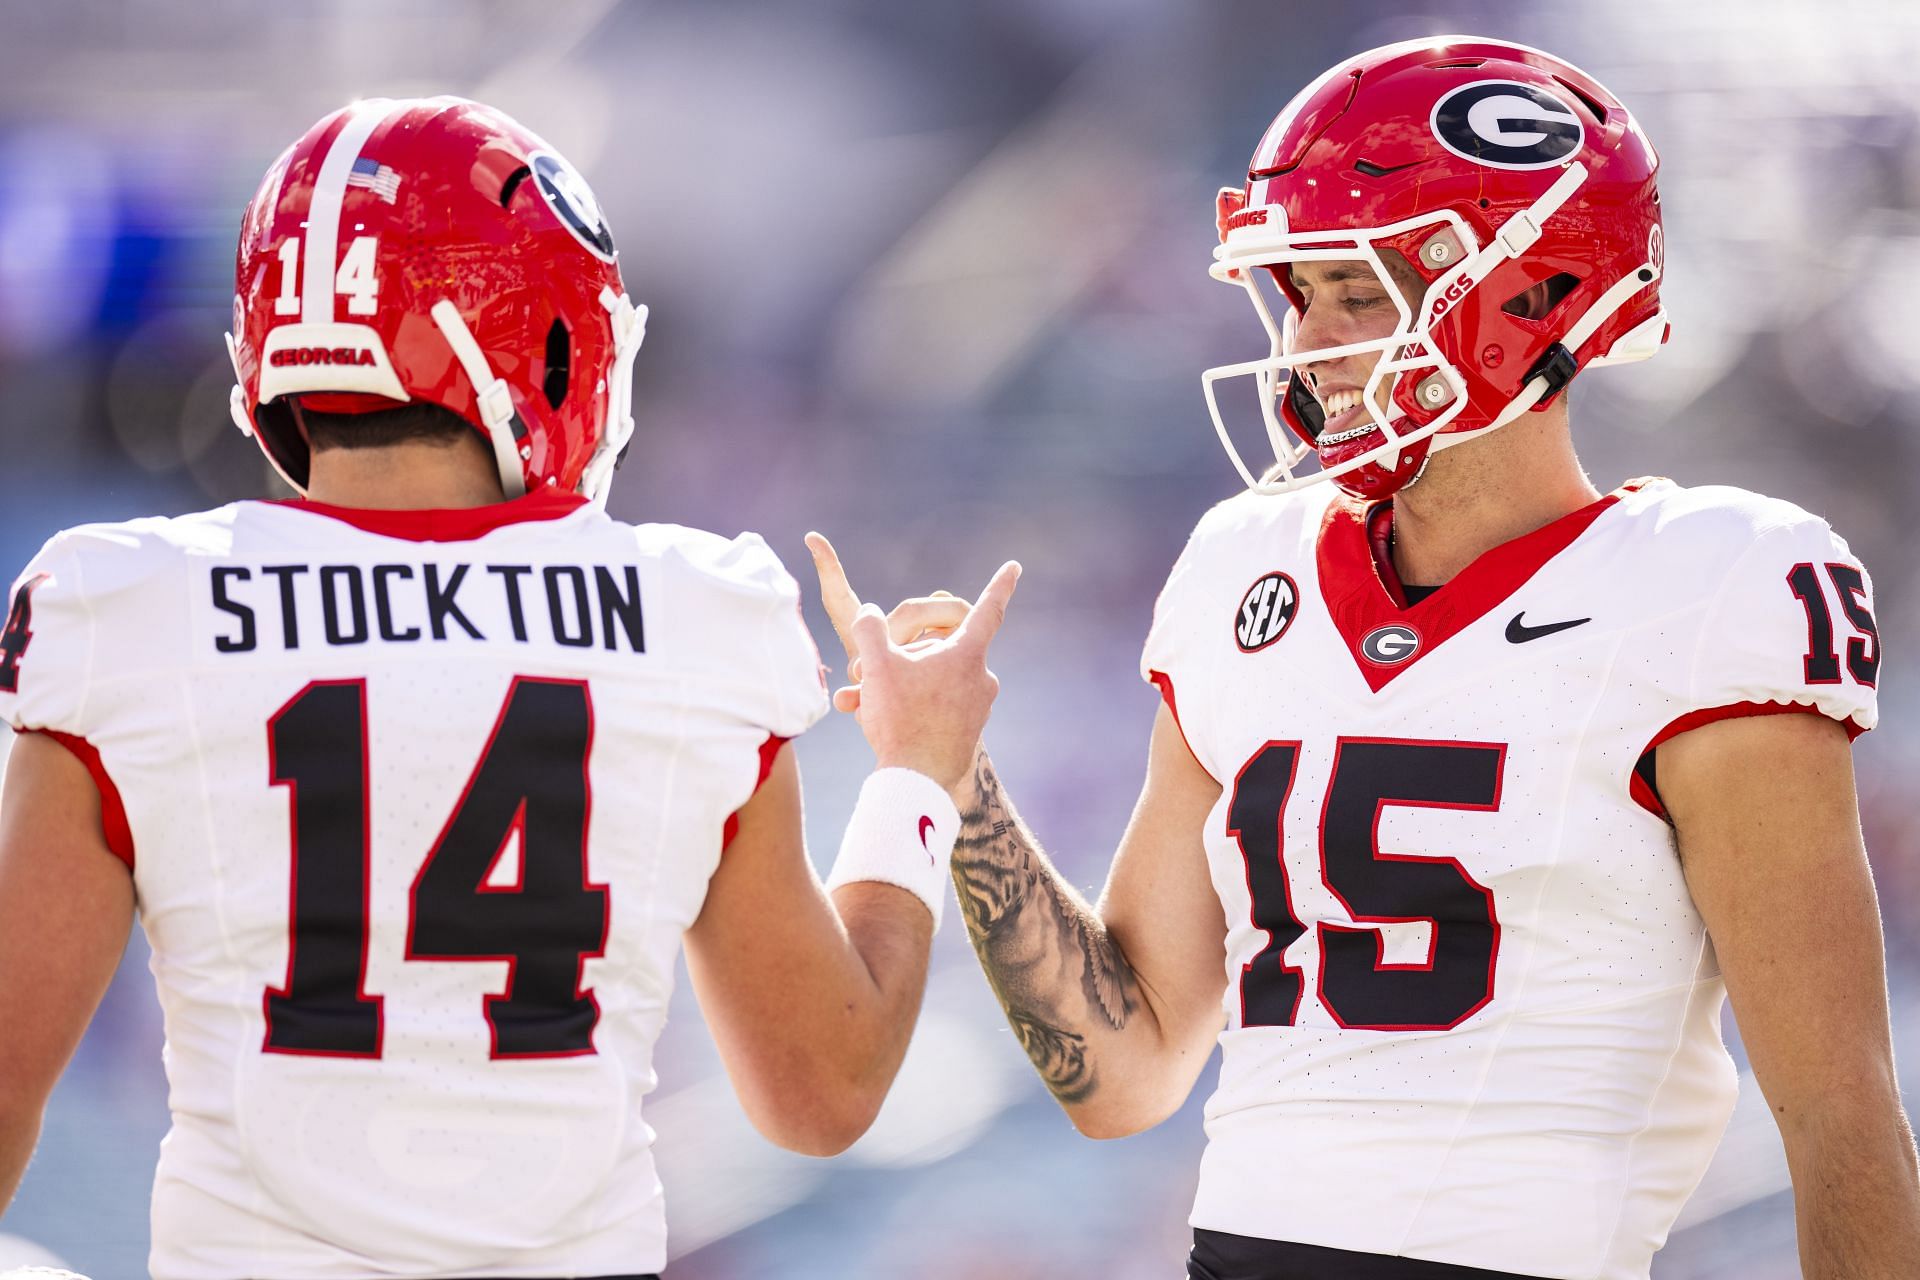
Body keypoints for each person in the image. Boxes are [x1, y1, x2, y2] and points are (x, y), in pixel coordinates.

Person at [831, 36, 1920, 1280]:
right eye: (1296, 296)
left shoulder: (1708, 582)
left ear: (1531, 296)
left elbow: (1838, 1111)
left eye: (1358, 295)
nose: (1309, 343)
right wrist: (956, 782)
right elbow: (1124, 1069)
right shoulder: (1245, 567)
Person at [0, 96, 1014, 1280]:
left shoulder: (128, 606)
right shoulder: (699, 613)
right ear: (543, 335)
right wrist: (912, 778)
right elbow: (823, 1089)